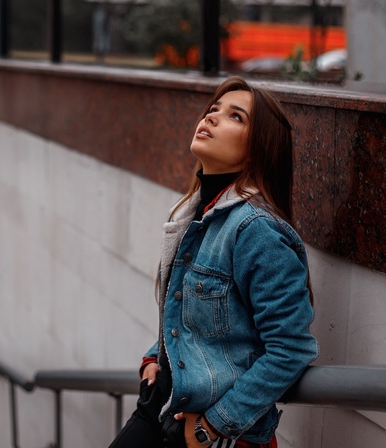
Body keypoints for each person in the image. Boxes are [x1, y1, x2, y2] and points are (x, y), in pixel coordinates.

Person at [109, 76, 318, 448]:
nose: (212, 118)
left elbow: (291, 348)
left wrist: (211, 426)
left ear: (257, 150)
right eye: (213, 110)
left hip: (210, 431)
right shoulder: (191, 214)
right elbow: (191, 319)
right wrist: (154, 358)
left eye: (235, 116)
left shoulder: (257, 231)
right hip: (161, 406)